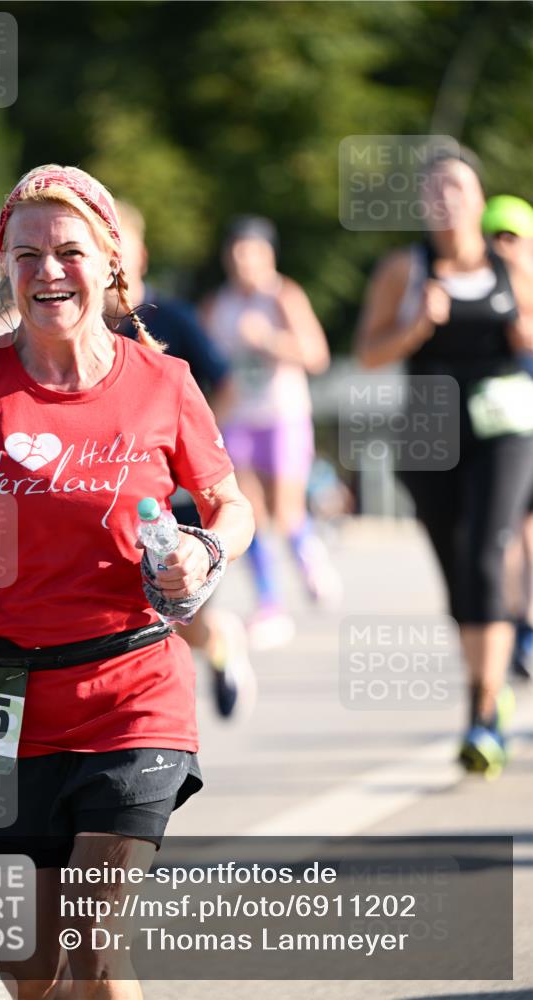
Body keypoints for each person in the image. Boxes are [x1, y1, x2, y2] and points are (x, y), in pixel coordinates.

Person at [0, 163, 254, 999]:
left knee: (92, 948)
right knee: (28, 965)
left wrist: (206, 551)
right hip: (2, 696)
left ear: (112, 262)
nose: (48, 271)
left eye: (69, 251)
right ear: (4, 267)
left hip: (134, 690)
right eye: (26, 254)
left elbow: (231, 505)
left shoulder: (164, 383)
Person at [354, 150, 533, 775]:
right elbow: (368, 354)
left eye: (456, 186)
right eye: (432, 190)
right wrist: (413, 325)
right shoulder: (404, 269)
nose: (445, 198)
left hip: (504, 425)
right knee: (458, 570)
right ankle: (490, 688)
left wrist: (520, 331)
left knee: (487, 551)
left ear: (481, 198)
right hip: (428, 427)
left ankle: (482, 712)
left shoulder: (513, 263)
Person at [106, 201, 257, 719]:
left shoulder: (173, 318)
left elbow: (226, 383)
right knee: (139, 611)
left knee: (175, 607)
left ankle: (219, 642)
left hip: (176, 494)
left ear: (140, 253)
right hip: (111, 493)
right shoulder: (80, 327)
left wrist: (193, 444)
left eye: (120, 247)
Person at [202, 216, 335, 650]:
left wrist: (270, 340)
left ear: (268, 255)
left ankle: (307, 554)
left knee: (288, 509)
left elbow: (316, 355)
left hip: (283, 415)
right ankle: (270, 604)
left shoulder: (283, 296)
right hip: (237, 418)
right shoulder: (216, 305)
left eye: (252, 252)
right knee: (249, 512)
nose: (243, 261)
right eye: (236, 253)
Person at [481, 194, 533, 680]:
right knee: (508, 534)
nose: (501, 246)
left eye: (511, 237)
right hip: (505, 433)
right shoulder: (481, 290)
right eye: (492, 237)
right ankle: (519, 626)